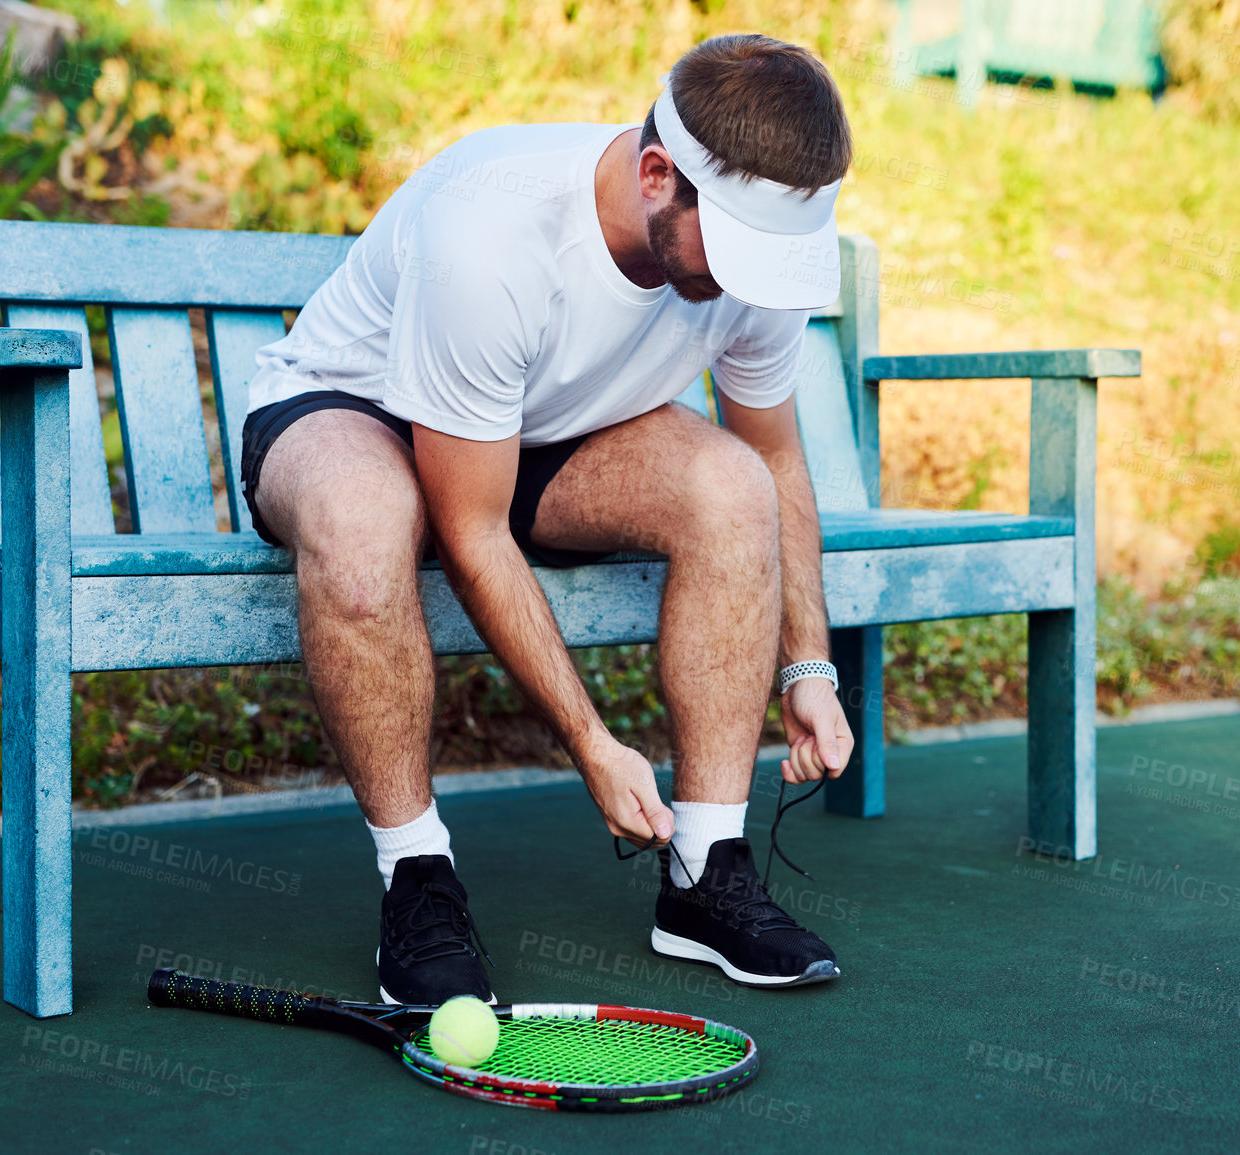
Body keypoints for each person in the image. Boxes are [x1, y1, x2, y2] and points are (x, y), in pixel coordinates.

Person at [239, 33, 855, 1003]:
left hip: (545, 433)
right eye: (735, 254)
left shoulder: (751, 246)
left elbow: (775, 457)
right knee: (367, 529)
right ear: (658, 175)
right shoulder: (491, 235)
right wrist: (591, 742)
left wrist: (809, 664)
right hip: (357, 413)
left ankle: (706, 872)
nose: (751, 284)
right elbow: (472, 529)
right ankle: (416, 873)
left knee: (731, 485)